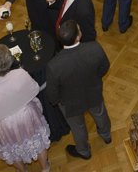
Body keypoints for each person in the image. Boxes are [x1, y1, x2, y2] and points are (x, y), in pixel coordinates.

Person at [0, 44, 50, 172]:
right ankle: (45, 168)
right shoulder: (20, 73)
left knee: (12, 150)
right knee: (38, 144)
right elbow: (34, 90)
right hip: (28, 116)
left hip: (6, 126)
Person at [46, 20, 111, 160]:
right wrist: (95, 79)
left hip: (70, 102)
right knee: (100, 114)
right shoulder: (95, 48)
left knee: (78, 127)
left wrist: (58, 101)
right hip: (93, 92)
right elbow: (105, 66)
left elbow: (52, 93)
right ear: (78, 36)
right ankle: (106, 135)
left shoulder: (53, 65)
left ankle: (83, 151)